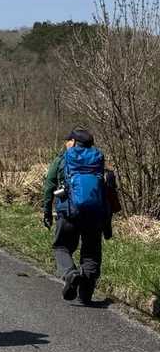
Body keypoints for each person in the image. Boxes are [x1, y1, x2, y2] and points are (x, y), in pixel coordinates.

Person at [42, 128, 118, 304]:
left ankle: (70, 273)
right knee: (91, 254)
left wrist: (47, 212)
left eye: (68, 140)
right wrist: (107, 225)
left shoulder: (62, 160)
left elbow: (49, 186)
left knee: (61, 247)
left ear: (74, 142)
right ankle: (85, 297)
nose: (66, 143)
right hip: (95, 215)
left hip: (68, 213)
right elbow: (109, 194)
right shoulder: (98, 162)